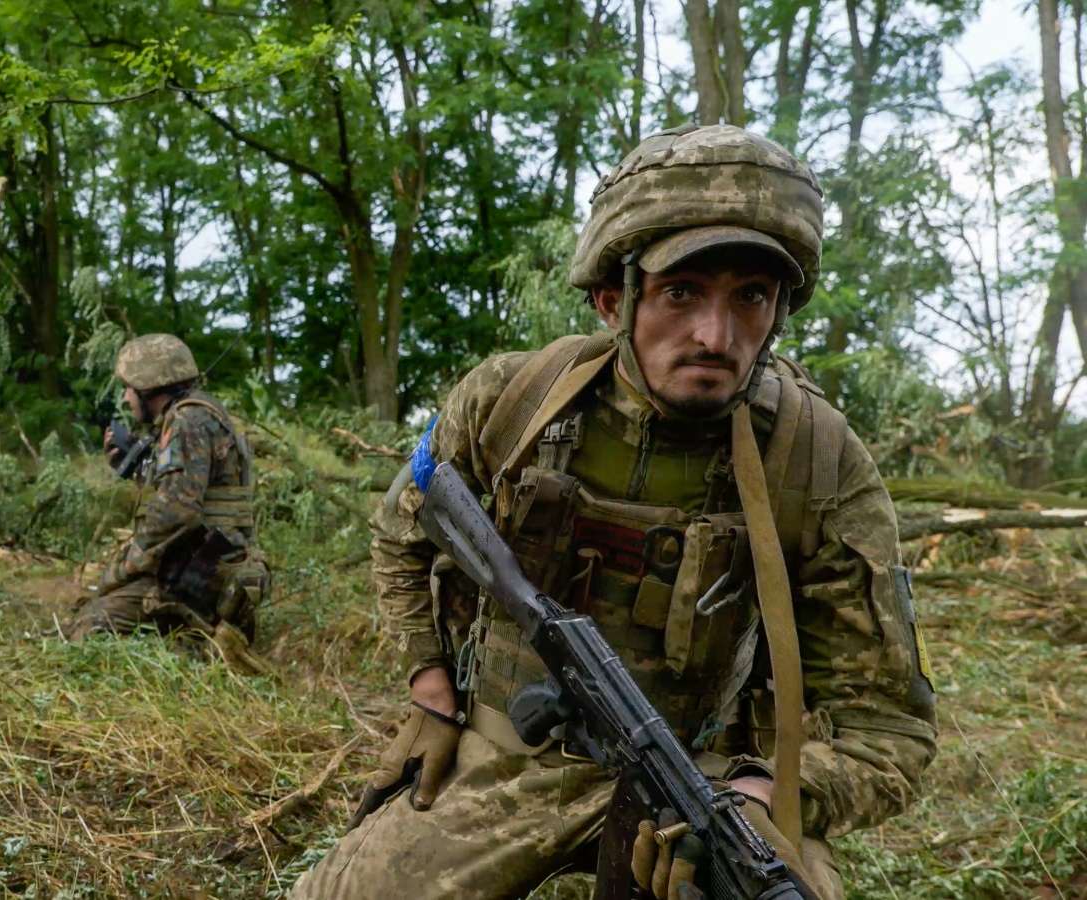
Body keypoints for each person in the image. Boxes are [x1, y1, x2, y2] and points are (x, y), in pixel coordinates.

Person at [291, 124, 937, 899]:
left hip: (704, 789)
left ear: (779, 312)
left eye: (752, 298)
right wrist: (429, 679)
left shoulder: (816, 457)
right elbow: (405, 529)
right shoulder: (512, 402)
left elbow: (889, 728)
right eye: (681, 292)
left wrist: (763, 798)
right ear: (612, 299)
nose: (714, 335)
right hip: (508, 767)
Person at [67, 333, 269, 645]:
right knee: (91, 610)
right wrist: (138, 467)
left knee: (88, 630)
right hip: (210, 566)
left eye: (129, 390)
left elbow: (175, 514)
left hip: (200, 576)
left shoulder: (186, 422)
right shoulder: (202, 414)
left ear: (149, 389)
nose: (125, 399)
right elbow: (189, 490)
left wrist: (123, 569)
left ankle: (196, 645)